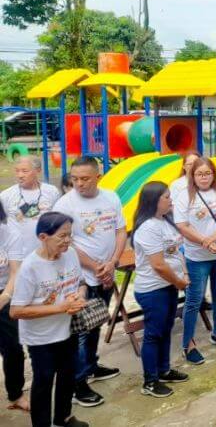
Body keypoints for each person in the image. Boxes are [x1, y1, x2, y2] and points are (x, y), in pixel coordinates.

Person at [53, 156, 126, 407]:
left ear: (98, 176)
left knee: (96, 323)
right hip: (81, 278)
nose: (79, 184)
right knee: (83, 330)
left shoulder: (111, 198)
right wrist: (96, 266)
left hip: (106, 271)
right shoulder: (64, 204)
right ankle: (77, 383)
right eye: (74, 179)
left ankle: (91, 366)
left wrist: (113, 262)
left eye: (85, 179)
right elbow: (67, 243)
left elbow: (120, 230)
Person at [10, 212, 88, 427]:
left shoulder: (70, 253)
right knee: (44, 381)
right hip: (41, 338)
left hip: (68, 329)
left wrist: (79, 296)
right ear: (43, 237)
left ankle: (63, 418)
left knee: (67, 375)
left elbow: (80, 281)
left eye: (69, 235)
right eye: (61, 236)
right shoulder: (30, 267)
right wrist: (60, 307)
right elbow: (16, 311)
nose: (67, 241)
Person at [174, 157, 216, 365]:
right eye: (199, 174)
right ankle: (188, 344)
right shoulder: (184, 197)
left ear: (213, 174)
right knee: (194, 300)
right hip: (196, 257)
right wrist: (204, 242)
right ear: (192, 175)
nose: (204, 177)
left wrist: (212, 238)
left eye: (207, 173)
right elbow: (182, 226)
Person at [131, 182, 189, 398]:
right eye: (166, 197)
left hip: (168, 285)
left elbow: (175, 253)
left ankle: (163, 370)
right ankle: (150, 380)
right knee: (154, 334)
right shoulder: (148, 227)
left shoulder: (165, 221)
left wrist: (184, 274)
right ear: (154, 201)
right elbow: (158, 264)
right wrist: (179, 282)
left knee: (166, 329)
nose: (170, 200)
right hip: (154, 289)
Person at [0, 156, 61, 260]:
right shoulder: (6, 195)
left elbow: (59, 221)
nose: (20, 175)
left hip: (45, 253)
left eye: (25, 171)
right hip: (17, 256)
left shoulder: (51, 191)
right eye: (17, 171)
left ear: (38, 171)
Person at [0, 201, 28, 414]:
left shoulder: (8, 231)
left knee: (13, 349)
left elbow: (16, 271)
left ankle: (16, 395)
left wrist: (5, 297)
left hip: (4, 293)